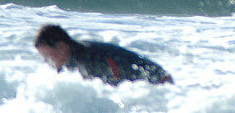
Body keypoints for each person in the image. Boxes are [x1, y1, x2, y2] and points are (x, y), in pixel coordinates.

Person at [34, 24, 173, 85]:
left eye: (47, 56)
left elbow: (115, 85)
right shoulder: (68, 61)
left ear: (62, 46)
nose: (46, 61)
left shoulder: (93, 58)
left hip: (159, 80)